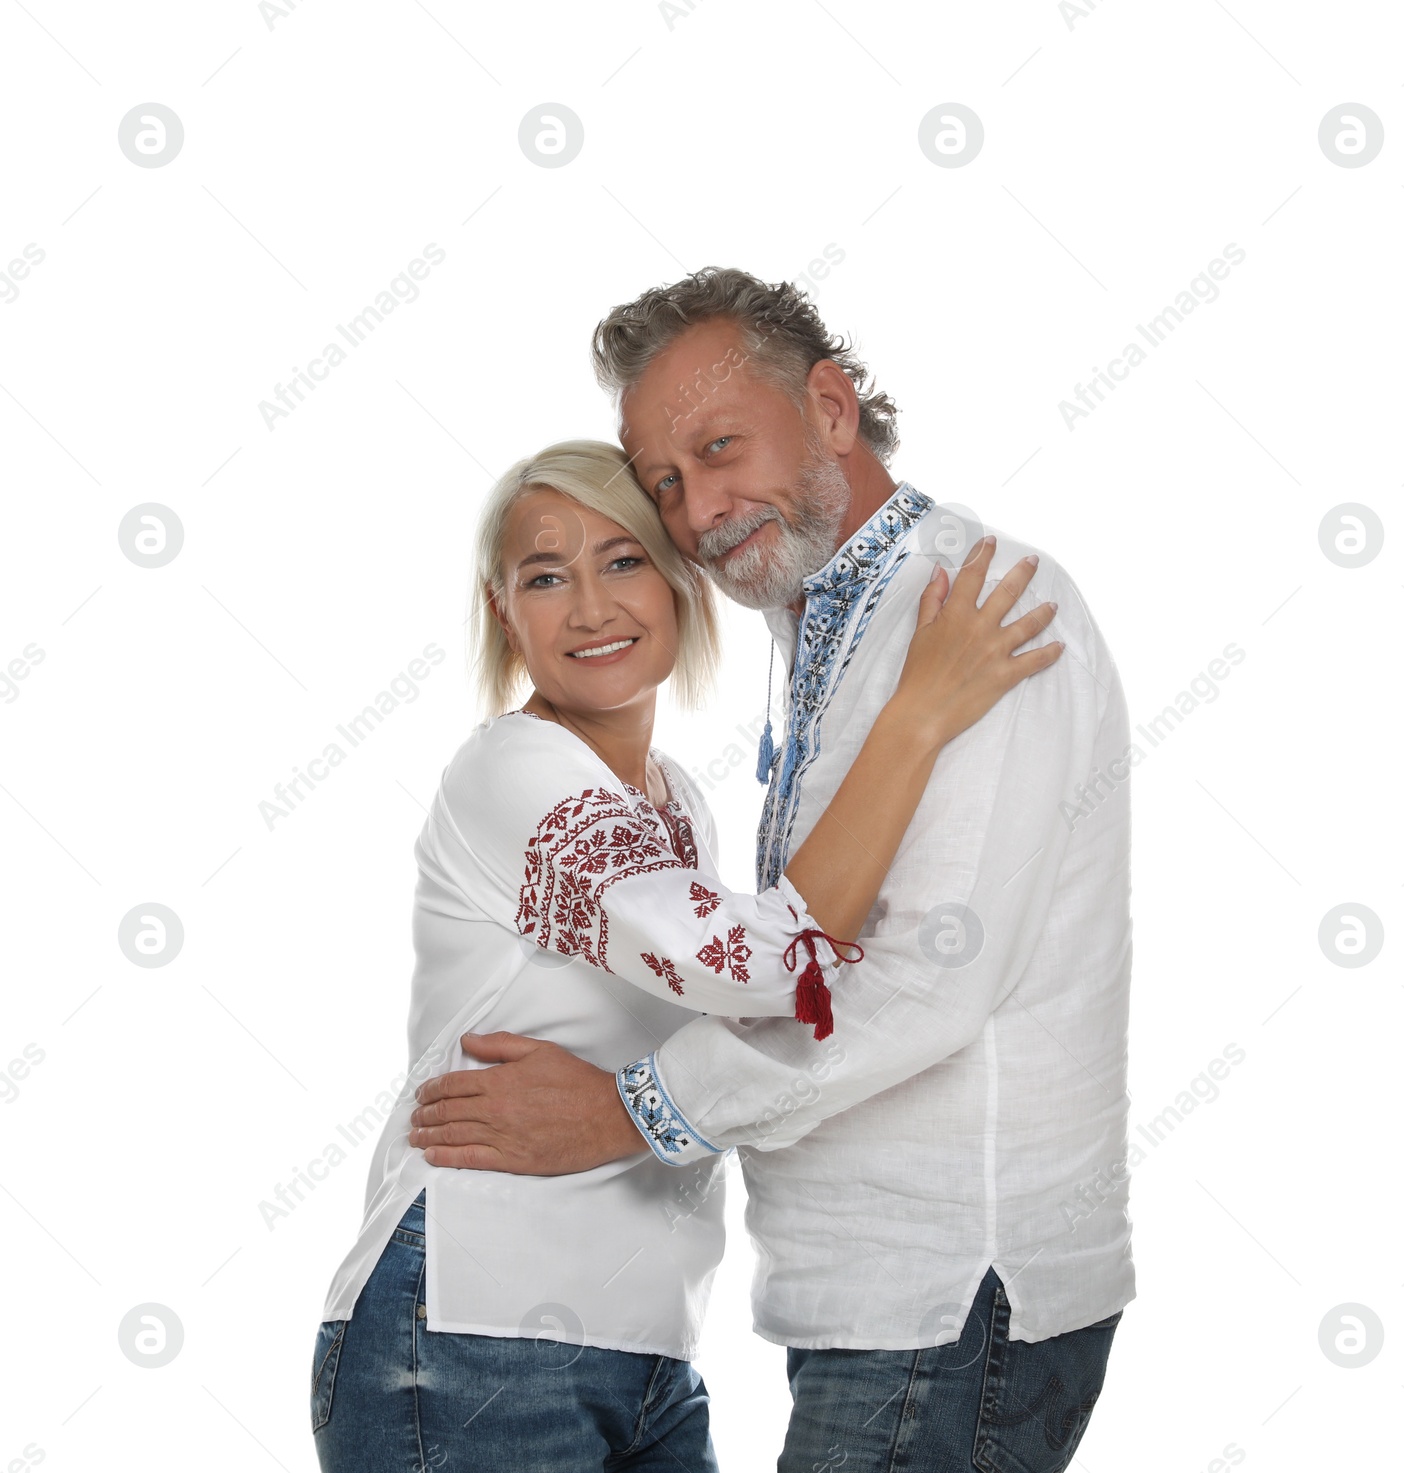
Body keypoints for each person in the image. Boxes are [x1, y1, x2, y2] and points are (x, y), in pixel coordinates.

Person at [408, 269, 1136, 1472]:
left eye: (721, 446)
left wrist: (631, 1110)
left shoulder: (981, 606)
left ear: (833, 409)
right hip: (861, 1300)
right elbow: (786, 956)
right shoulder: (818, 631)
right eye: (666, 483)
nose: (698, 508)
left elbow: (921, 982)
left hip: (952, 1289)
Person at [311, 436, 1063, 1472]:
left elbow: (779, 1010)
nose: (588, 607)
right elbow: (756, 969)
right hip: (473, 1337)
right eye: (545, 576)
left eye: (621, 560)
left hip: (651, 1353)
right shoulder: (513, 770)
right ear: (504, 614)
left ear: (676, 580)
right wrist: (917, 717)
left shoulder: (678, 803)